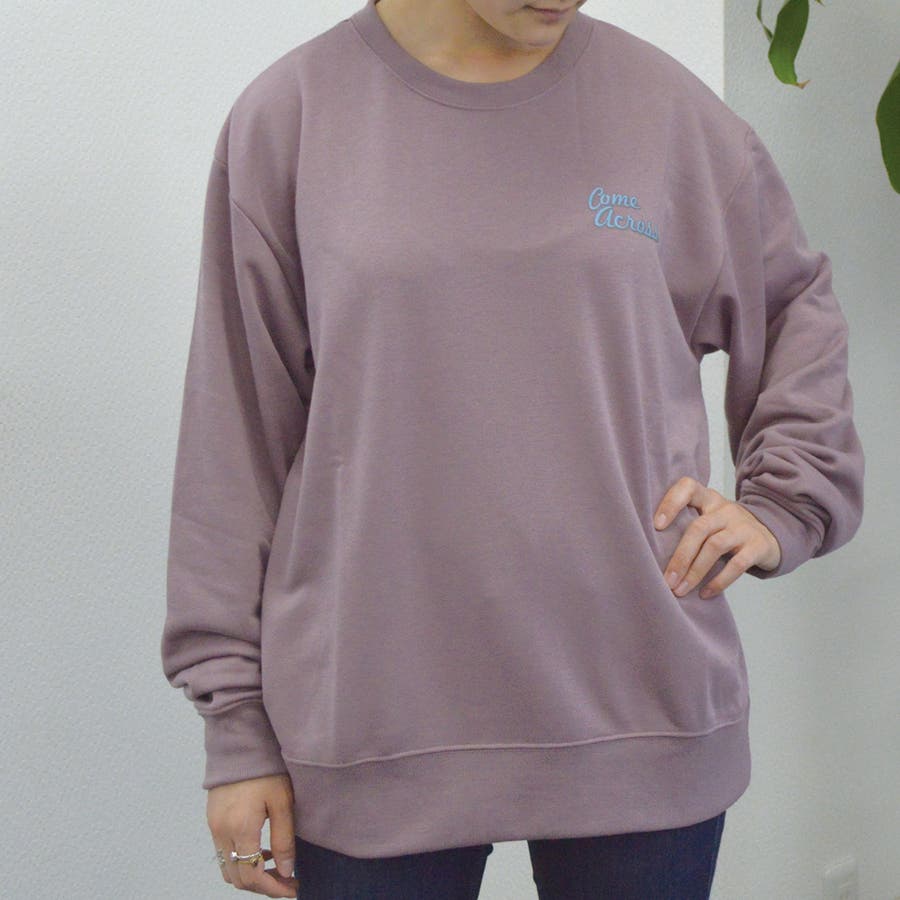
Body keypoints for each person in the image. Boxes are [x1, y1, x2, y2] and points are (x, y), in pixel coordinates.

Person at [160, 0, 866, 896]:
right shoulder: (293, 117)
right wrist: (236, 729)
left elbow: (794, 300)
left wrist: (787, 500)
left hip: (638, 705)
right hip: (375, 722)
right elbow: (235, 435)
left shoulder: (666, 112)